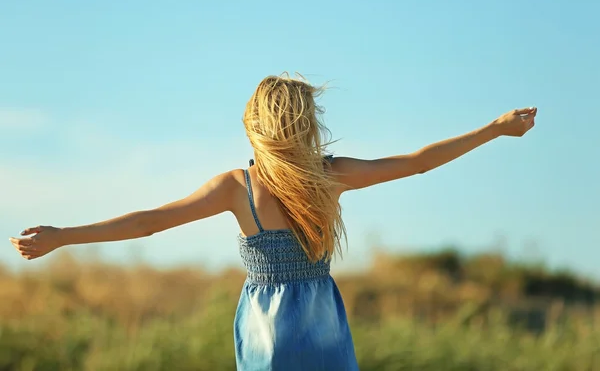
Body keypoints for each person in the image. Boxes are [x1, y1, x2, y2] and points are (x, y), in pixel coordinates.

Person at [10, 74, 537, 370]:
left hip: (268, 328)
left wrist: (66, 236)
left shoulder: (238, 186)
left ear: (253, 126)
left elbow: (149, 223)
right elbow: (420, 160)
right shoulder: (330, 176)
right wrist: (492, 129)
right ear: (308, 124)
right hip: (323, 323)